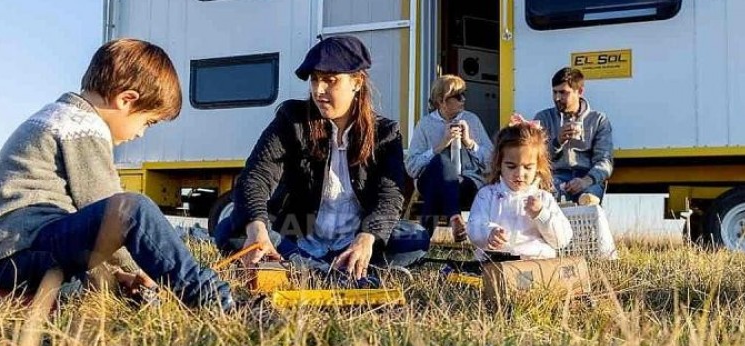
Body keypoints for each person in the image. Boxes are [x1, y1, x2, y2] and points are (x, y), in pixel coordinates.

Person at [0, 38, 235, 311]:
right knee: (132, 209)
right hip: (23, 252)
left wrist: (118, 273)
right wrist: (140, 268)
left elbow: (87, 229)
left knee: (100, 268)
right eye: (148, 122)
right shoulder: (82, 125)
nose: (141, 133)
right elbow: (110, 214)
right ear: (126, 100)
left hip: (8, 260)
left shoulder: (57, 116)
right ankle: (210, 296)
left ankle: (94, 289)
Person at [214, 35, 429, 281]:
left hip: (355, 238)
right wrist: (257, 228)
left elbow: (389, 196)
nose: (319, 90)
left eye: (330, 80)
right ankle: (319, 267)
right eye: (315, 80)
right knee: (231, 231)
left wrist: (367, 238)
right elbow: (256, 175)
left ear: (357, 82)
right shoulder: (291, 119)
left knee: (417, 237)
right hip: (297, 234)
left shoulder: (385, 133)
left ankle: (318, 265)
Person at [467, 114, 572, 260]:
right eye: (511, 166)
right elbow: (474, 225)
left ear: (538, 167)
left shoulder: (543, 198)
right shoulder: (488, 194)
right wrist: (489, 233)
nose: (519, 174)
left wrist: (541, 214)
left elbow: (562, 239)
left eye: (528, 167)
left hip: (535, 263)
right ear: (499, 164)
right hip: (495, 261)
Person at [405, 75, 493, 241]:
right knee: (440, 162)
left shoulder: (471, 120)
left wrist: (470, 143)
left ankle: (419, 243)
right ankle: (454, 216)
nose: (463, 99)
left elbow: (491, 162)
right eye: (458, 96)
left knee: (436, 190)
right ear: (441, 101)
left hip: (465, 183)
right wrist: (439, 146)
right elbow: (411, 167)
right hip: (429, 179)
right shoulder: (425, 125)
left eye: (464, 94)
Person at [533, 67, 613, 204]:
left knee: (588, 200)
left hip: (587, 176)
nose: (557, 98)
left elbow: (605, 161)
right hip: (556, 176)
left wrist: (586, 181)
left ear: (580, 91)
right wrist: (557, 142)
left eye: (563, 93)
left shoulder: (598, 120)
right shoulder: (543, 118)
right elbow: (535, 158)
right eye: (555, 92)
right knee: (547, 199)